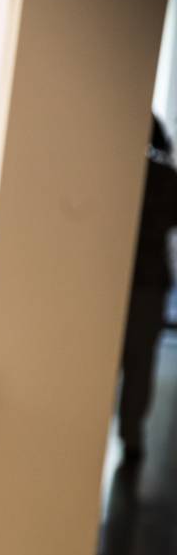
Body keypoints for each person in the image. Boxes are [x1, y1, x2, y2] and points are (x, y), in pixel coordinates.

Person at [118, 116, 177, 461]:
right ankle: (132, 435)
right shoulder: (167, 177)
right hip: (150, 280)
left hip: (115, 278)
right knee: (140, 365)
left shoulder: (122, 174)